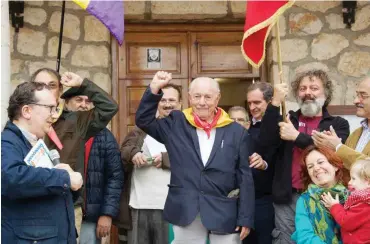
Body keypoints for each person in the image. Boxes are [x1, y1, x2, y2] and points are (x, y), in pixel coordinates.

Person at [136, 71, 254, 244]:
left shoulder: (237, 132)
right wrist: (154, 88)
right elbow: (144, 120)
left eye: (208, 97)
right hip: (186, 208)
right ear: (189, 98)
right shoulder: (176, 122)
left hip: (224, 210)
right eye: (197, 96)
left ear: (218, 98)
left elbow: (245, 176)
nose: (202, 102)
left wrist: (246, 217)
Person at [258, 69, 350, 244]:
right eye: (302, 88)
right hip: (288, 198)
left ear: (326, 93)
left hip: (326, 196)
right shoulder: (288, 119)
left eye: (314, 88)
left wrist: (296, 137)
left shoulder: (338, 124)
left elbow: (335, 154)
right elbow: (264, 143)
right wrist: (275, 102)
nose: (307, 92)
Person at [31, 68, 119, 237]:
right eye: (39, 85)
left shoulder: (77, 121)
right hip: (34, 200)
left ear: (60, 90)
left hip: (67, 203)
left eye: (51, 85)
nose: (46, 89)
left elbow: (110, 107)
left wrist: (82, 84)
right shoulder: (25, 117)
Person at [1, 82, 83, 243]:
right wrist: (64, 178)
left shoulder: (34, 142)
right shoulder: (6, 143)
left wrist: (70, 184)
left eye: (55, 109)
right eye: (50, 108)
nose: (54, 115)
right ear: (27, 111)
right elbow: (11, 178)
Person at [120, 84, 181, 244]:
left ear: (180, 104)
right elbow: (125, 149)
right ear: (157, 103)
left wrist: (166, 158)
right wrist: (134, 153)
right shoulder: (141, 129)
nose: (167, 103)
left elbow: (193, 159)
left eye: (172, 100)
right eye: (163, 100)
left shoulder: (187, 131)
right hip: (140, 205)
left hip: (171, 207)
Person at [63, 92, 124, 244]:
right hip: (59, 213)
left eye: (88, 101)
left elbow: (115, 177)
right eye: (78, 100)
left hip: (89, 218)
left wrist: (106, 214)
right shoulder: (57, 132)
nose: (84, 105)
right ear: (66, 103)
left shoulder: (105, 136)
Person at [291, 145, 350, 244]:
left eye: (320, 162)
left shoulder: (354, 196)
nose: (316, 168)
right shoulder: (304, 200)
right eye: (310, 166)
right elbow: (305, 236)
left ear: (335, 166)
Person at [241, 82, 276, 244]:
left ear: (269, 102)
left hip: (266, 199)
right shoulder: (246, 130)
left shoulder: (280, 126)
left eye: (257, 102)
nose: (252, 107)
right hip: (244, 199)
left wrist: (265, 164)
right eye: (249, 103)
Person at [312, 75, 370, 169]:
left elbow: (367, 167)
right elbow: (346, 168)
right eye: (357, 95)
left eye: (363, 95)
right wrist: (329, 146)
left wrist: (338, 147)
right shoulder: (356, 133)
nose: (355, 101)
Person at [321, 158, 370, 244]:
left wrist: (334, 206)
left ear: (368, 182)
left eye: (353, 179)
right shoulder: (363, 199)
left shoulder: (365, 203)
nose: (350, 182)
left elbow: (347, 222)